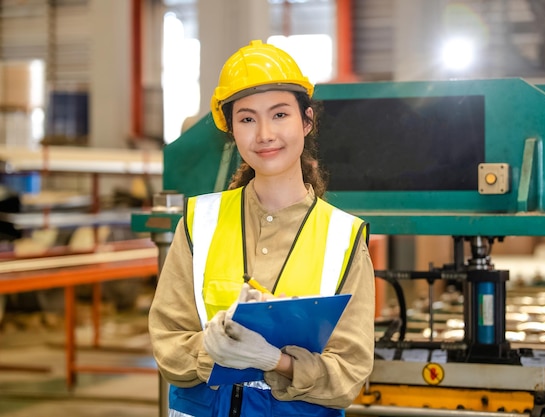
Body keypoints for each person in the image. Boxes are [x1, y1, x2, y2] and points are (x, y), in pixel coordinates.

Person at [148, 39, 375, 417]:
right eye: (248, 118)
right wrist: (211, 350)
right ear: (233, 131)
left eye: (280, 115)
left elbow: (348, 374)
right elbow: (167, 342)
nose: (265, 133)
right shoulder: (198, 221)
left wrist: (275, 361)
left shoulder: (343, 238)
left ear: (306, 121)